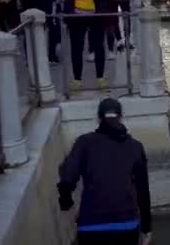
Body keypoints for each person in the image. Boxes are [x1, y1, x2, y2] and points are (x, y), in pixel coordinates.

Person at [57, 98, 152, 245]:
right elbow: (143, 192)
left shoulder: (84, 142)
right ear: (121, 117)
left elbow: (67, 180)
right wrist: (146, 228)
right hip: (126, 225)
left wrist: (66, 204)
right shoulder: (135, 147)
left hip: (91, 225)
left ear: (98, 118)